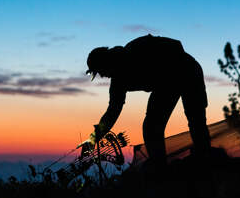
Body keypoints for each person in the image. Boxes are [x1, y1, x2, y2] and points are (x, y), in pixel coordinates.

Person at [85, 34, 211, 166]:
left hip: (187, 70)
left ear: (106, 61)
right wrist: (94, 138)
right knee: (151, 127)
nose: (101, 75)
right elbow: (112, 111)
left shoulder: (135, 48)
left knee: (195, 119)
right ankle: (160, 165)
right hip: (165, 84)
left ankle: (204, 159)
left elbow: (176, 44)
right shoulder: (117, 82)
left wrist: (164, 70)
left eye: (99, 71)